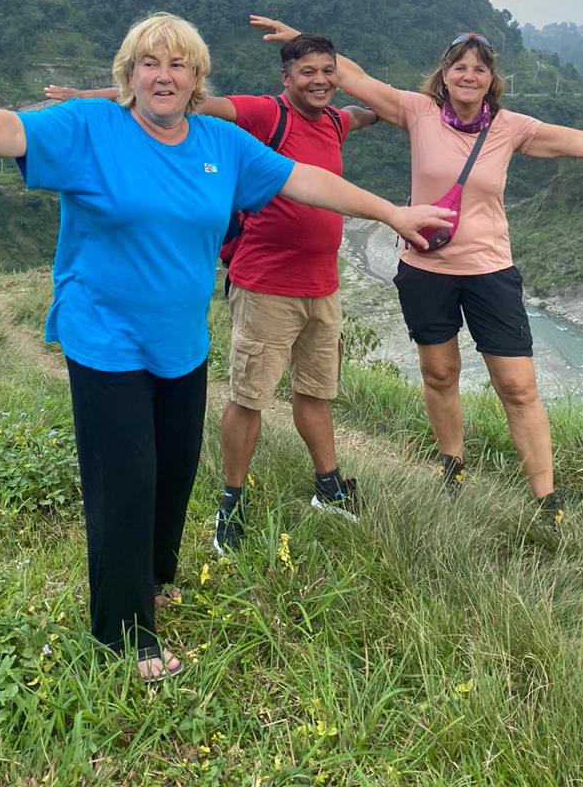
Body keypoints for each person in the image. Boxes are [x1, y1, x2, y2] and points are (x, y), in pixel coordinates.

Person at [0, 13, 454, 680]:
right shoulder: (89, 129)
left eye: (178, 64)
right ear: (128, 74)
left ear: (196, 79)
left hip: (180, 340)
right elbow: (8, 126)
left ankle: (156, 578)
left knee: (174, 468)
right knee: (124, 480)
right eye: (149, 63)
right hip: (104, 335)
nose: (163, 75)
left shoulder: (221, 142)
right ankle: (124, 631)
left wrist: (393, 213)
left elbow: (302, 180)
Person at [248, 16, 583, 528]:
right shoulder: (417, 110)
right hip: (424, 269)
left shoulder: (509, 128)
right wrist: (302, 39)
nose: (468, 75)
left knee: (518, 385)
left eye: (478, 69)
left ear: (490, 79)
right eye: (459, 67)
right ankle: (452, 467)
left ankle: (546, 500)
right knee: (439, 373)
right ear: (445, 74)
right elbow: (348, 76)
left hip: (490, 271)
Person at [45, 34, 379, 554]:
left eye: (327, 71)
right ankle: (232, 501)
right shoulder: (266, 115)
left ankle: (329, 485)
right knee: (249, 397)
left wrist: (420, 107)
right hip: (267, 284)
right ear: (285, 79)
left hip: (323, 285)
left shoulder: (337, 121)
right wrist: (90, 96)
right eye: (306, 70)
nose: (319, 80)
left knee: (316, 392)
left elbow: (373, 106)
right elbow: (182, 96)